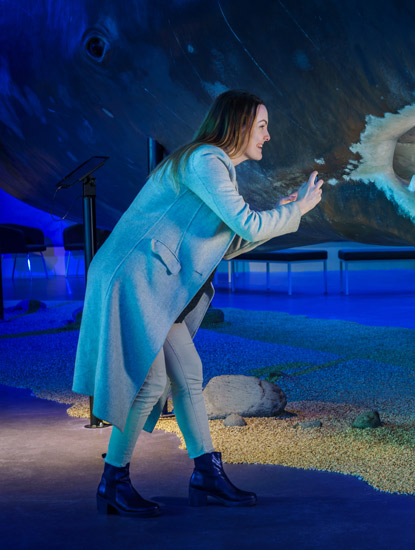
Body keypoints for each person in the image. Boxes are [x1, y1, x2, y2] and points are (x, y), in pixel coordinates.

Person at [73, 90, 324, 516]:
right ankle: (112, 481)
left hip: (157, 283)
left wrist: (283, 214)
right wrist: (296, 210)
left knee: (188, 373)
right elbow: (246, 224)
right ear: (240, 125)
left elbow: (228, 242)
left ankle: (206, 474)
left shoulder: (212, 164)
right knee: (151, 382)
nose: (267, 135)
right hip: (136, 279)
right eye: (262, 126)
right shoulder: (206, 160)